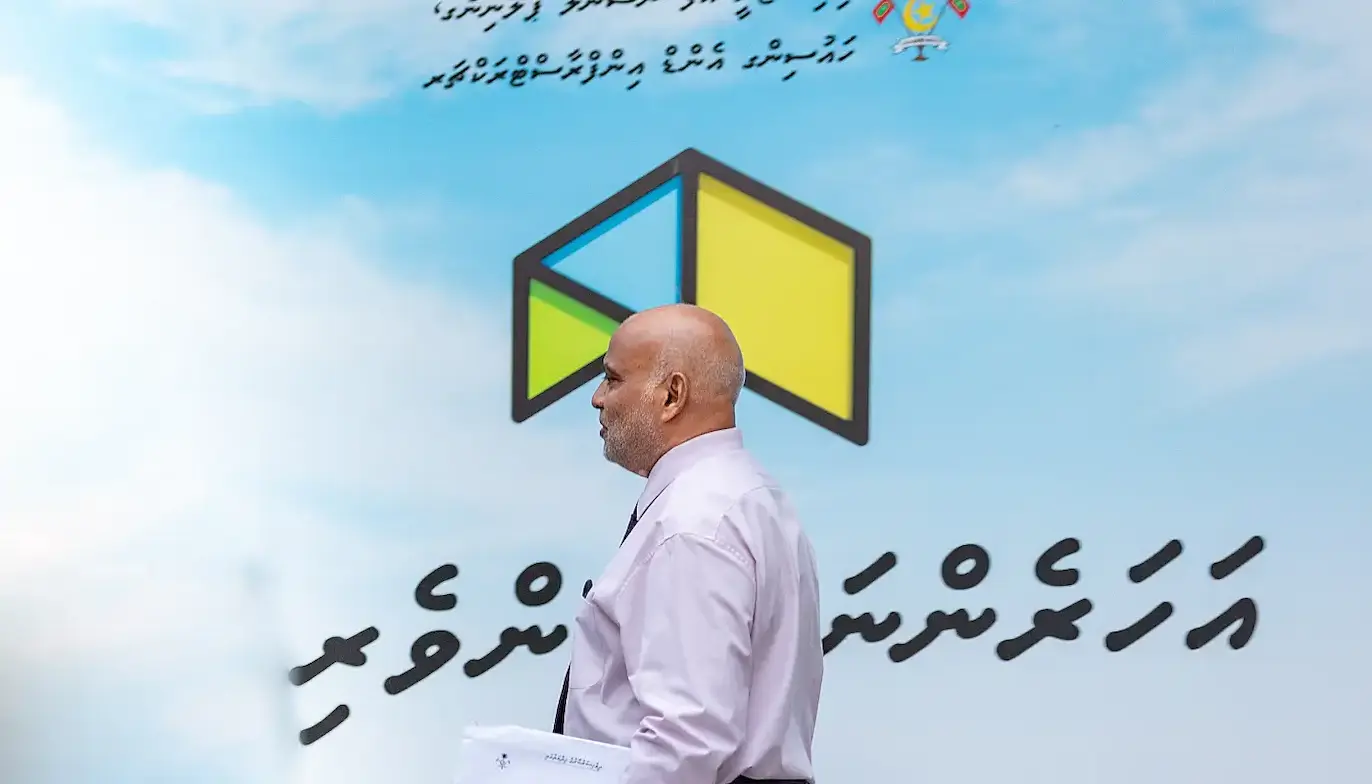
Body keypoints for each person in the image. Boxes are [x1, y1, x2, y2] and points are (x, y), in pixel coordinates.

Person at [552, 303, 823, 784]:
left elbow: (686, 742)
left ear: (672, 395)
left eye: (612, 379)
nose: (597, 398)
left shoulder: (693, 522)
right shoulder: (752, 496)